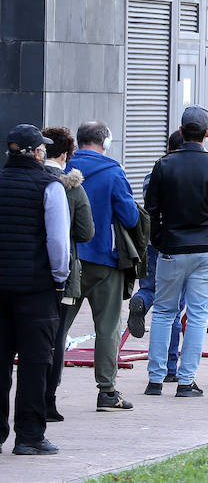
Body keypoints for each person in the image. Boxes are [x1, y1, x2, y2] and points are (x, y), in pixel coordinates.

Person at [143, 105, 208, 399]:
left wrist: (159, 240)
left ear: (181, 132)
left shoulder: (164, 165)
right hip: (207, 247)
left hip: (172, 246)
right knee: (197, 315)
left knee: (163, 311)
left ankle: (155, 379)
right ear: (207, 133)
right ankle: (186, 381)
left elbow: (152, 208)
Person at [0, 124, 70, 456]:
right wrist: (60, 277)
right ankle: (28, 436)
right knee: (34, 362)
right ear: (37, 152)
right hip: (36, 288)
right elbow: (58, 242)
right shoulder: (49, 186)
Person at [64, 121, 140, 411]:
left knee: (58, 327)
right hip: (105, 260)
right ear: (105, 143)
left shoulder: (65, 167)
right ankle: (107, 391)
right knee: (107, 327)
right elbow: (130, 217)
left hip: (68, 260)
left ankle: (46, 388)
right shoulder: (113, 171)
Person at [39, 127, 94, 423]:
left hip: (24, 272)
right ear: (65, 154)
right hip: (61, 273)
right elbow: (86, 232)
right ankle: (49, 399)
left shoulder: (26, 180)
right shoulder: (72, 187)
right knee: (56, 337)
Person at [131, 131, 186, 378]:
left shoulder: (151, 176)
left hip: (154, 242)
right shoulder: (189, 176)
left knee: (151, 288)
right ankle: (170, 367)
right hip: (180, 245)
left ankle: (141, 300)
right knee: (173, 308)